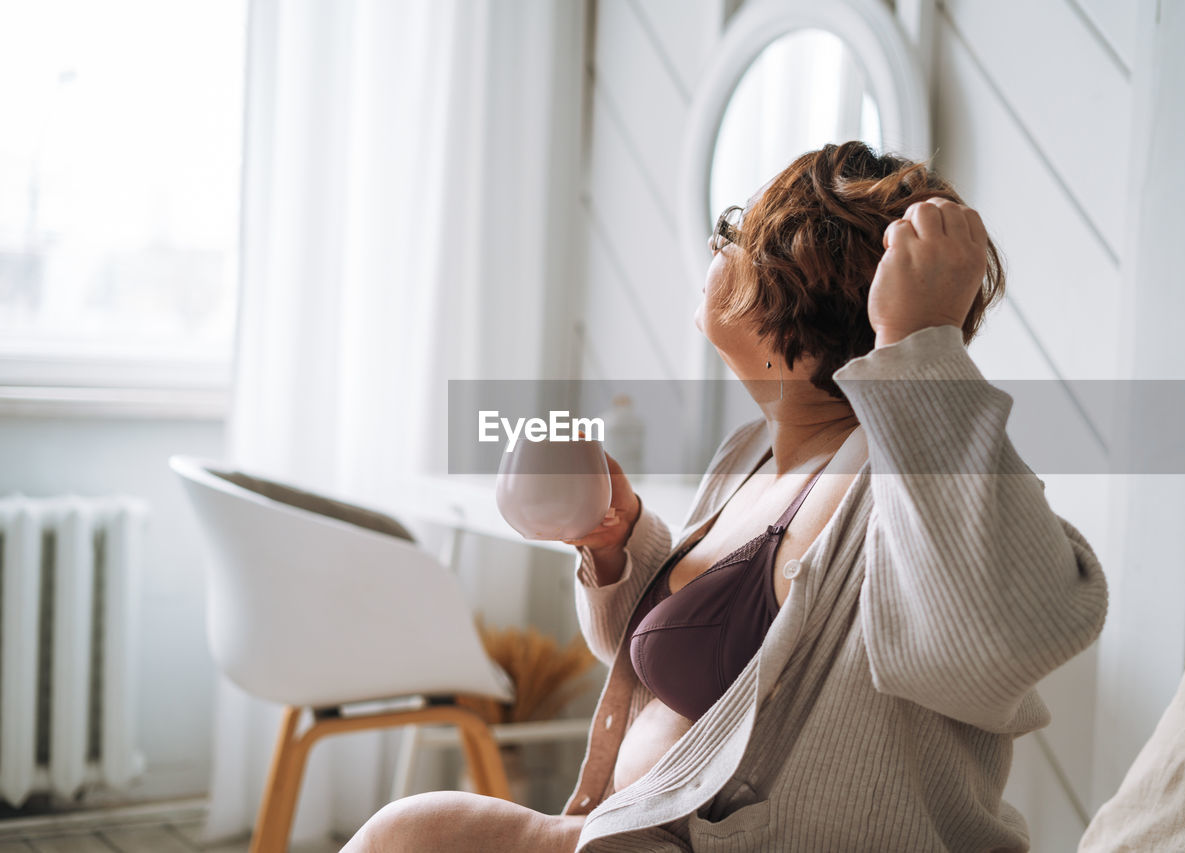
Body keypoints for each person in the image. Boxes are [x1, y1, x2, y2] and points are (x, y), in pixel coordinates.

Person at [342, 141, 1108, 852]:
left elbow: (1004, 636)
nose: (720, 248)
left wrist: (921, 346)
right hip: (630, 829)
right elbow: (676, 663)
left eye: (739, 234)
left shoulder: (907, 480)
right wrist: (617, 545)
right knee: (407, 830)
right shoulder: (751, 454)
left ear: (792, 307)